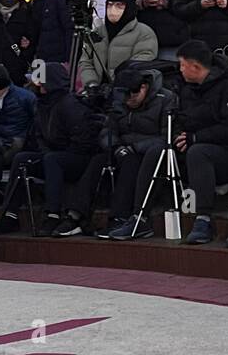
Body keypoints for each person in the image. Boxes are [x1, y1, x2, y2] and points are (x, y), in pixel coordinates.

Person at [110, 39, 228, 244]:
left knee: (198, 151)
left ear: (196, 66)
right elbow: (180, 119)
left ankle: (203, 219)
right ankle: (139, 218)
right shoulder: (187, 89)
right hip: (192, 146)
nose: (180, 70)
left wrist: (197, 137)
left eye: (182, 65)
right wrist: (178, 135)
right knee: (158, 150)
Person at [0, 64, 102, 235]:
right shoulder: (41, 105)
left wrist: (57, 153)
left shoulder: (70, 105)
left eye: (40, 81)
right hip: (53, 156)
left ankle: (53, 214)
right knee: (22, 159)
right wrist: (46, 151)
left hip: (79, 159)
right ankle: (9, 215)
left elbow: (84, 141)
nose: (36, 85)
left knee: (52, 160)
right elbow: (39, 136)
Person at [67, 65, 175, 238]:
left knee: (130, 161)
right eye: (124, 96)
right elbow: (107, 130)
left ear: (143, 87)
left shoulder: (165, 98)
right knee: (98, 160)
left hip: (147, 152)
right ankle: (75, 215)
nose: (127, 100)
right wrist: (116, 147)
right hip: (120, 147)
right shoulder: (120, 98)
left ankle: (119, 217)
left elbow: (166, 136)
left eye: (132, 95)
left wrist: (134, 148)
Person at [79, 0, 159, 88]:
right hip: (97, 89)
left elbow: (141, 62)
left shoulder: (143, 33)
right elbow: (85, 61)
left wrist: (118, 84)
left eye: (119, 6)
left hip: (127, 91)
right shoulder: (98, 32)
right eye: (109, 5)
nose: (113, 10)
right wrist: (91, 83)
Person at [23, 0, 73, 66]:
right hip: (40, 59)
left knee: (56, 80)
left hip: (59, 59)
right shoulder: (31, 6)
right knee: (41, 80)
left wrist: (69, 58)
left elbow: (69, 29)